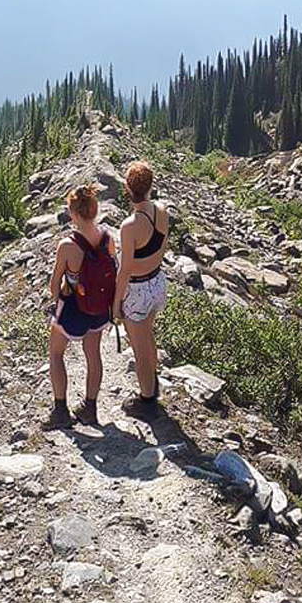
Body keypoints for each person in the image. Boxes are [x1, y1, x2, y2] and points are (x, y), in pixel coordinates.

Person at [45, 184, 116, 428]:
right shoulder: (108, 240)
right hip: (98, 308)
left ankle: (60, 411)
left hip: (73, 307)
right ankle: (90, 407)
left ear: (74, 214)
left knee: (55, 352)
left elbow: (55, 284)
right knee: (93, 354)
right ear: (94, 211)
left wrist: (55, 303)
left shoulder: (67, 245)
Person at [112, 161, 170, 421]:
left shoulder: (130, 226)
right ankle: (152, 386)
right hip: (157, 282)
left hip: (136, 290)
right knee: (148, 335)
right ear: (150, 186)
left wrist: (116, 304)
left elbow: (124, 271)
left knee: (138, 347)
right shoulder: (162, 211)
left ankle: (146, 401)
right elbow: (161, 246)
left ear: (128, 188)